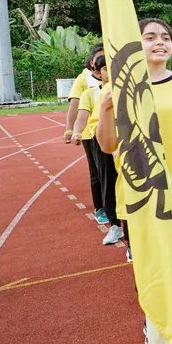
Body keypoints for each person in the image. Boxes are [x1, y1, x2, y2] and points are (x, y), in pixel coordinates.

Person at [97, 18, 172, 344]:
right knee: (150, 260)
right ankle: (154, 312)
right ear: (136, 44)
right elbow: (107, 146)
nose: (159, 42)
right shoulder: (118, 88)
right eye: (150, 37)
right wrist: (106, 108)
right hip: (141, 188)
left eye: (165, 37)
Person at [71, 54, 123, 245]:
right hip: (103, 143)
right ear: (98, 73)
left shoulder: (128, 89)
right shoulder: (91, 94)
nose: (111, 71)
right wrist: (75, 132)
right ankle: (115, 225)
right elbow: (82, 116)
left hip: (128, 143)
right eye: (105, 68)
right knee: (107, 181)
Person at [65, 44, 106, 224]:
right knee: (96, 172)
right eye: (101, 58)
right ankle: (100, 207)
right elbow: (74, 106)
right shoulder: (84, 80)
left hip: (112, 132)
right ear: (92, 63)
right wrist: (70, 129)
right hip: (91, 135)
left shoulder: (116, 77)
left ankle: (114, 204)